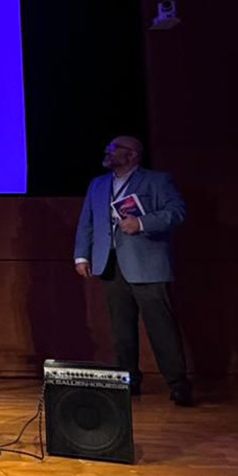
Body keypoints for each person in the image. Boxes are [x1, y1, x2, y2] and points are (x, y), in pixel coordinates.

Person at [72, 136, 192, 405]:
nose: (108, 152)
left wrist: (141, 223)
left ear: (133, 154)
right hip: (111, 264)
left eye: (114, 149)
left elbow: (177, 212)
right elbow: (87, 222)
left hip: (147, 264)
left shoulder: (156, 181)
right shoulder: (98, 184)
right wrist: (82, 255)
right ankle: (129, 381)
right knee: (121, 330)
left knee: (161, 328)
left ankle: (177, 383)